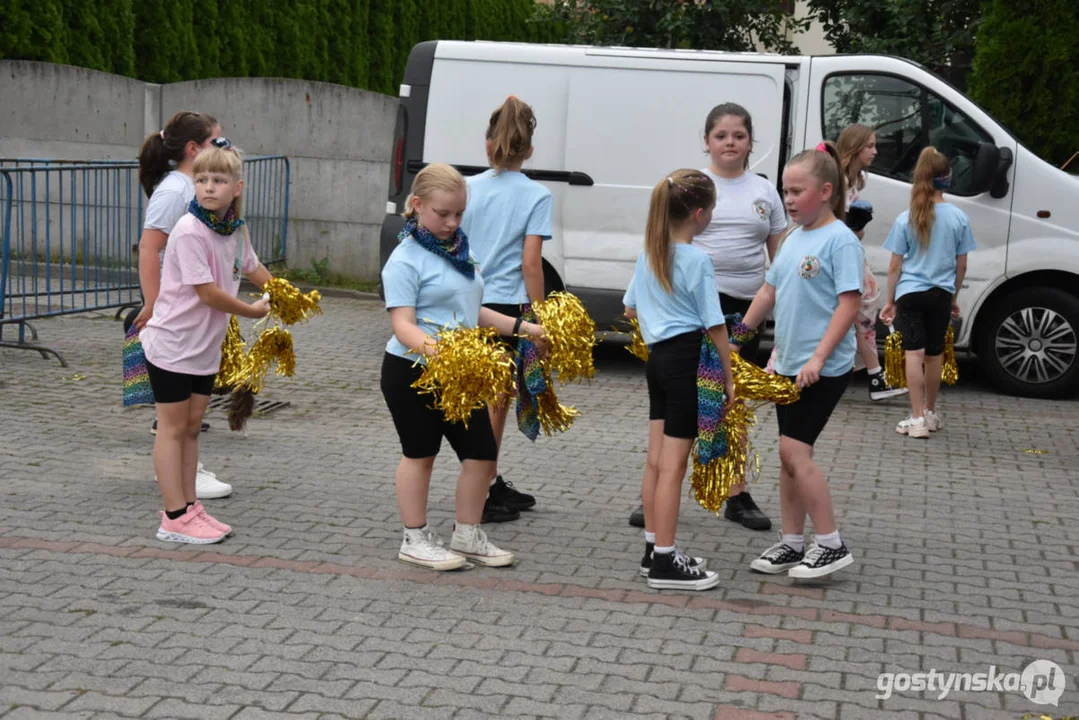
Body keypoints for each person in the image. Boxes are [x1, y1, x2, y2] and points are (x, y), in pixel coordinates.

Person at [381, 163, 549, 571]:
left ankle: (468, 533)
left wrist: (526, 328)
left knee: (480, 453)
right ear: (418, 205)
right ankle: (415, 537)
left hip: (460, 372)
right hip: (414, 371)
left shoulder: (461, 251)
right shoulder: (404, 260)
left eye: (459, 213)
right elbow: (403, 324)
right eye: (443, 213)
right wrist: (441, 351)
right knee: (421, 455)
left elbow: (472, 312)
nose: (452, 222)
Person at [630, 102, 782, 531]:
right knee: (683, 405)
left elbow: (779, 258)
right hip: (694, 311)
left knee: (730, 405)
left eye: (739, 135)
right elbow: (664, 243)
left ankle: (735, 491)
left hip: (745, 307)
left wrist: (772, 310)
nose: (730, 142)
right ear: (707, 141)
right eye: (721, 136)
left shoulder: (764, 191)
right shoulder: (692, 187)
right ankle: (658, 493)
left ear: (751, 141)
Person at [737, 142, 862, 579]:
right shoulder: (792, 238)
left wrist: (818, 357)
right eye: (784, 192)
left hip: (822, 369)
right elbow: (769, 292)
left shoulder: (840, 240)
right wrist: (738, 342)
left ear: (826, 191)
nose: (788, 200)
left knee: (795, 451)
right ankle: (792, 543)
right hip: (789, 365)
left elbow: (849, 305)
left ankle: (830, 543)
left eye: (796, 191)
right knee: (788, 457)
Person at [141, 144, 272, 544]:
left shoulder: (235, 228)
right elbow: (208, 293)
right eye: (201, 180)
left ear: (237, 187)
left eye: (218, 180)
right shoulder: (188, 230)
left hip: (203, 348)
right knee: (173, 429)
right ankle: (173, 517)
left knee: (193, 429)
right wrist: (251, 312)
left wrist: (287, 295)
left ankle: (191, 506)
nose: (209, 188)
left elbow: (251, 267)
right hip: (172, 346)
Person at [624, 169, 733, 591]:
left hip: (658, 361)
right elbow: (715, 324)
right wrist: (727, 377)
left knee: (656, 460)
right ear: (700, 214)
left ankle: (653, 549)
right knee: (674, 467)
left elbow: (631, 309)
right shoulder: (697, 260)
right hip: (687, 360)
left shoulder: (649, 252)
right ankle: (666, 562)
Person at [460, 96, 552, 524]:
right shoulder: (537, 194)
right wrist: (541, 316)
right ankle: (481, 492)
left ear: (486, 145)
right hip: (508, 307)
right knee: (496, 402)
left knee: (479, 398)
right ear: (529, 150)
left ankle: (490, 481)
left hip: (469, 302)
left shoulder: (466, 188)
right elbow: (531, 263)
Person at [134, 111, 233, 499]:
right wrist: (154, 305)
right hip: (178, 310)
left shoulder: (195, 186)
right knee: (174, 410)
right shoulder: (177, 190)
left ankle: (183, 472)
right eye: (216, 142)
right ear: (194, 149)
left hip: (195, 307)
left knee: (188, 409)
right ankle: (174, 477)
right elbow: (149, 248)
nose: (223, 148)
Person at [880, 147, 975, 439]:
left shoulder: (906, 217)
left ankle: (916, 417)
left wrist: (889, 301)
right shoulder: (959, 217)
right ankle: (931, 412)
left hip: (911, 293)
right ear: (948, 178)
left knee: (913, 352)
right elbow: (962, 265)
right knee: (935, 354)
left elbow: (895, 265)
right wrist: (954, 297)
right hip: (941, 293)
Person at [837, 124, 908, 402]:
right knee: (863, 310)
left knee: (858, 313)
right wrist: (858, 228)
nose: (875, 151)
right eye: (869, 146)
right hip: (844, 256)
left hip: (851, 253)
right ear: (854, 147)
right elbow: (839, 226)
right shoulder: (841, 182)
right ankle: (876, 375)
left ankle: (873, 374)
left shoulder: (852, 180)